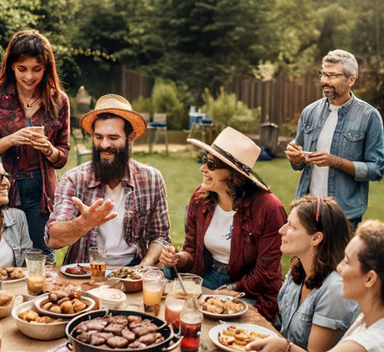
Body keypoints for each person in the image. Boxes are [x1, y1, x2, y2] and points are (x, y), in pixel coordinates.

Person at [158, 127, 286, 321]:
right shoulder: (200, 198)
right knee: (174, 308)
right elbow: (191, 249)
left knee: (225, 321)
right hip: (207, 275)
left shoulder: (268, 208)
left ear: (234, 174)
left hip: (249, 288)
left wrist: (227, 290)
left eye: (211, 164)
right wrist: (178, 258)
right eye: (204, 160)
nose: (203, 168)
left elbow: (265, 273)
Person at [246, 221, 384, 352]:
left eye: (347, 261)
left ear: (370, 279)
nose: (339, 267)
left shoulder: (364, 345)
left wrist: (284, 347)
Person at [0, 29, 71, 261]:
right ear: (11, 66)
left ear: (47, 68)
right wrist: (11, 140)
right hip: (1, 186)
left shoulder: (59, 100)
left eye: (37, 69)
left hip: (41, 190)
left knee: (41, 257)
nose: (29, 77)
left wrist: (48, 149)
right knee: (4, 257)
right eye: (21, 69)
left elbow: (63, 155)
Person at [46, 94, 170, 266]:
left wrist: (145, 265)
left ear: (131, 138)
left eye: (113, 138)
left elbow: (160, 236)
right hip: (85, 273)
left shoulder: (151, 179)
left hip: (133, 270)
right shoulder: (74, 179)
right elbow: (54, 239)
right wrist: (84, 223)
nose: (104, 145)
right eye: (99, 137)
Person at [283, 50, 384, 227]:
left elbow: (377, 168)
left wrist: (337, 162)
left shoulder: (369, 116)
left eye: (332, 75)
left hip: (343, 216)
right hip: (307, 210)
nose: (324, 81)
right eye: (323, 74)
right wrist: (295, 157)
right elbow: (298, 162)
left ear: (350, 80)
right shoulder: (310, 112)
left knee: (341, 257)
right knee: (304, 256)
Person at [273, 196, 359, 352]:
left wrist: (283, 347)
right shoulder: (298, 271)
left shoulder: (335, 290)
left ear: (316, 238)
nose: (281, 230)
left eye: (291, 226)